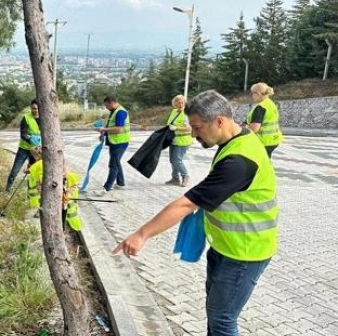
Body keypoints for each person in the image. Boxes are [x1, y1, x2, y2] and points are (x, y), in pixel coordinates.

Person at [114, 90, 278, 336]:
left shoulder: (239, 160)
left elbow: (187, 204)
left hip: (244, 254)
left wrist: (142, 234)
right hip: (228, 247)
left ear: (219, 121)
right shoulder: (237, 140)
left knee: (223, 321)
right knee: (216, 316)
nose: (193, 134)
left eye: (198, 127)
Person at [26, 147, 82, 231]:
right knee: (63, 211)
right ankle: (62, 228)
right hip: (62, 191)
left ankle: (62, 228)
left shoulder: (39, 165)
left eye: (38, 149)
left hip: (63, 191)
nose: (37, 149)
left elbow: (38, 180)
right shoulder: (42, 164)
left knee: (64, 211)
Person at [95, 96, 130, 192]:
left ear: (111, 103)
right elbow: (111, 126)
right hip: (114, 141)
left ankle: (106, 188)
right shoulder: (114, 112)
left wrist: (104, 129)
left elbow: (119, 129)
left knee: (113, 165)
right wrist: (104, 133)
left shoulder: (121, 112)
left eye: (107, 105)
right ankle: (120, 183)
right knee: (116, 163)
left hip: (120, 142)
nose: (106, 108)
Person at [5, 99, 41, 192]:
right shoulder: (26, 118)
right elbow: (23, 134)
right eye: (34, 108)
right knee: (15, 171)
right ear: (31, 108)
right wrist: (30, 139)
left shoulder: (44, 118)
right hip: (24, 150)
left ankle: (33, 191)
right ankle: (8, 189)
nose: (36, 110)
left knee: (34, 172)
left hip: (36, 151)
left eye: (37, 108)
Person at [245, 82, 283, 158]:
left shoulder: (260, 107)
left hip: (263, 141)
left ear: (258, 94)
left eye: (253, 93)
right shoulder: (270, 104)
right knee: (265, 162)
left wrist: (241, 129)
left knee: (258, 163)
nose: (252, 96)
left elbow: (254, 128)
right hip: (273, 139)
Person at [165, 94, 193, 187]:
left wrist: (176, 127)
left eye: (182, 102)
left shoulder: (186, 113)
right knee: (172, 160)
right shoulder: (174, 112)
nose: (180, 104)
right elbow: (170, 123)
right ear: (174, 104)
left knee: (177, 160)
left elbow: (189, 128)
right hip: (173, 139)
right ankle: (175, 178)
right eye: (178, 103)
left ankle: (185, 176)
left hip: (183, 140)